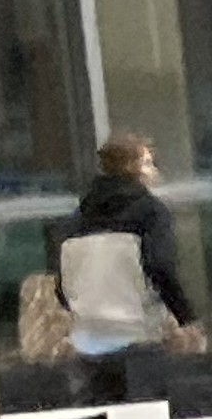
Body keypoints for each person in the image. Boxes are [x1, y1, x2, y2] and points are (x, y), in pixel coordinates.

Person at [50, 134, 199, 381]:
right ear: (131, 168)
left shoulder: (77, 218)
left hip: (88, 341)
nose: (154, 172)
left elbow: (61, 283)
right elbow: (160, 267)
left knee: (102, 412)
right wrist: (186, 317)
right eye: (148, 164)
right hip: (137, 337)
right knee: (144, 408)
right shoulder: (150, 212)